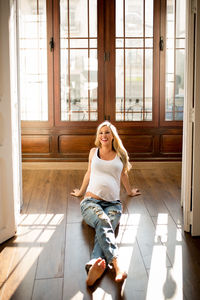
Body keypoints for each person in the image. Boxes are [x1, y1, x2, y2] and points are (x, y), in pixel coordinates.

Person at [71, 121, 140, 286]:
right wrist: (80, 192)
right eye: (101, 133)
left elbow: (124, 176)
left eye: (107, 132)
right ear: (98, 136)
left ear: (113, 135)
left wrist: (130, 192)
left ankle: (94, 264)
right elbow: (88, 172)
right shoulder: (93, 152)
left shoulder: (120, 155)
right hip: (90, 202)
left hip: (114, 205)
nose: (103, 136)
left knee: (104, 228)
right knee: (104, 222)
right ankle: (117, 267)